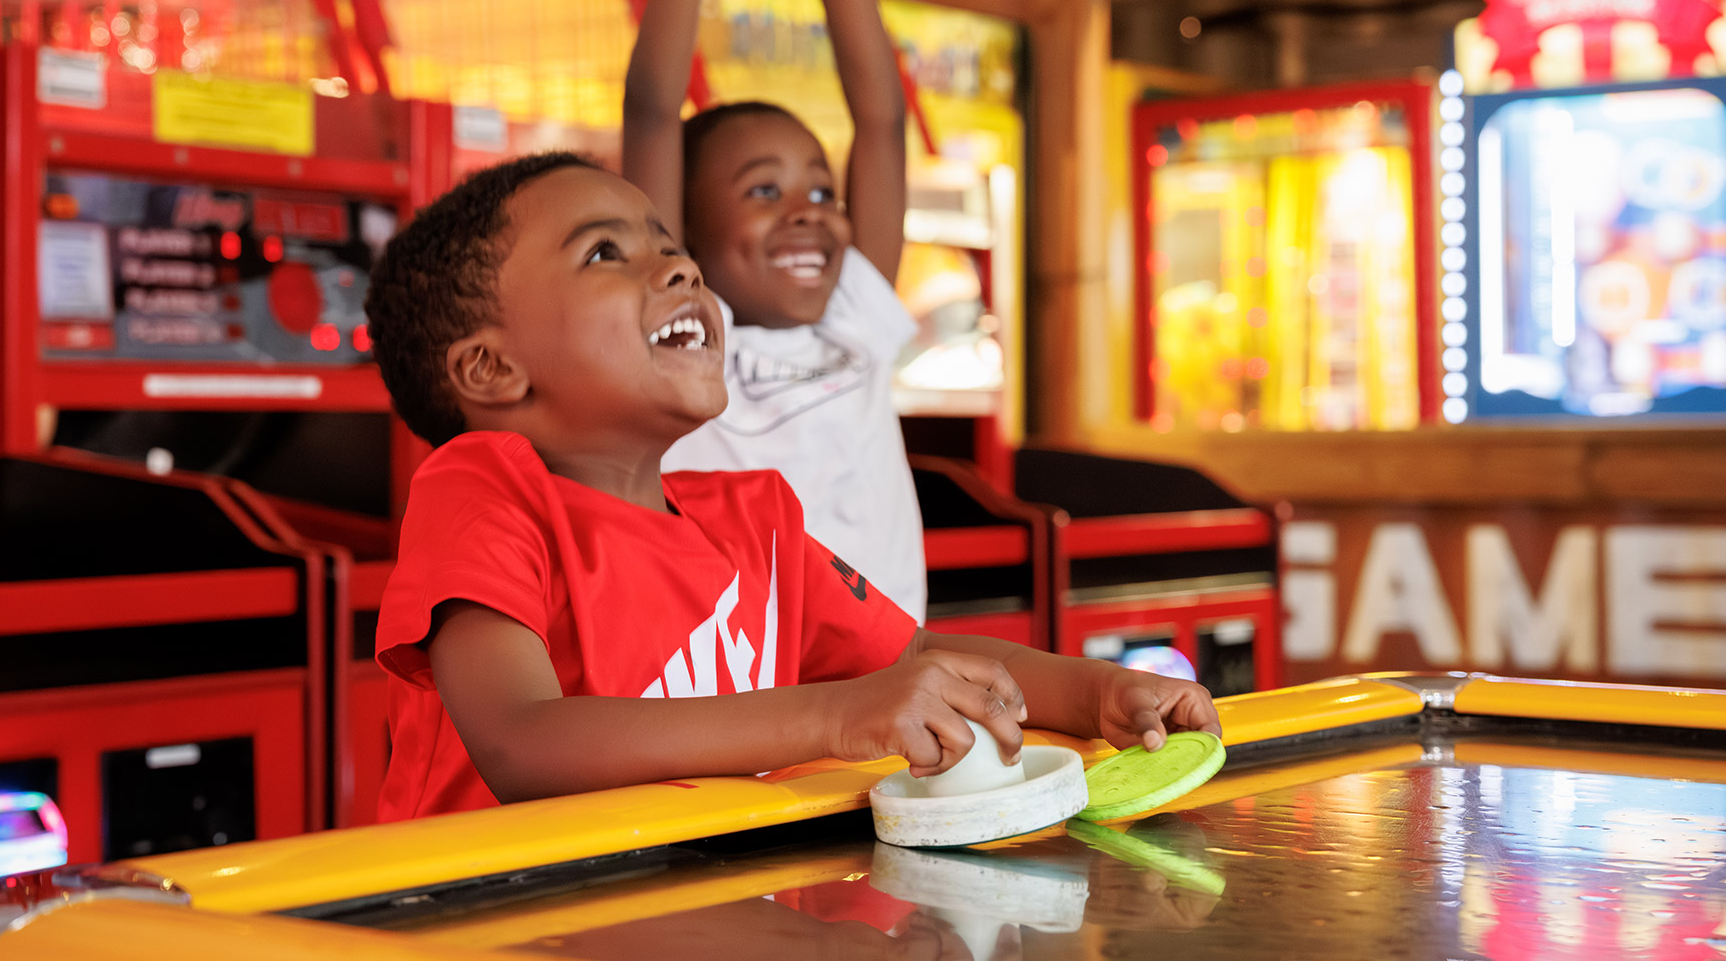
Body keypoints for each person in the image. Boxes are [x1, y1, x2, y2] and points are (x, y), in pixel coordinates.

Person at [362, 151, 1217, 820]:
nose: (678, 268)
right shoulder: (482, 489)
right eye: (605, 252)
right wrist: (838, 716)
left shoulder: (753, 520)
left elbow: (911, 658)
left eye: (670, 244)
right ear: (490, 366)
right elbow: (521, 741)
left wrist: (1094, 694)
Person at [621, 0, 927, 620]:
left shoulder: (854, 317)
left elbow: (883, 121)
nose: (808, 214)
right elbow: (652, 112)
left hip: (894, 680)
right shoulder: (688, 335)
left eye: (822, 193)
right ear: (679, 231)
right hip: (760, 702)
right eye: (763, 191)